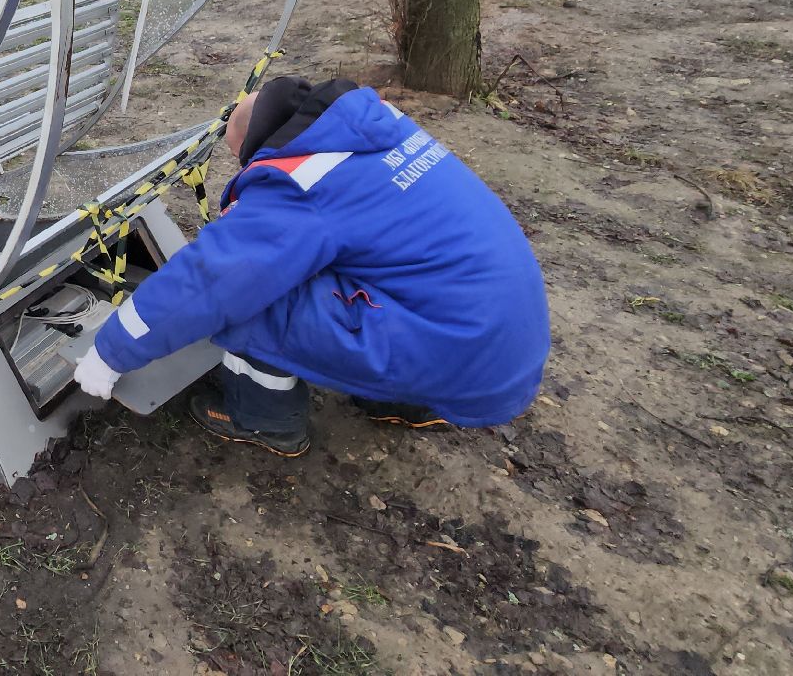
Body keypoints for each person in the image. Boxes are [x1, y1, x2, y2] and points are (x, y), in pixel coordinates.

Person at [72, 76, 549, 456]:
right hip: (498, 345)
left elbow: (210, 281)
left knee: (252, 292)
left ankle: (264, 416)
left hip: (459, 353)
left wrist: (111, 351)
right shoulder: (376, 133)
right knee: (359, 265)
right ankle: (406, 399)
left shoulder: (300, 184)